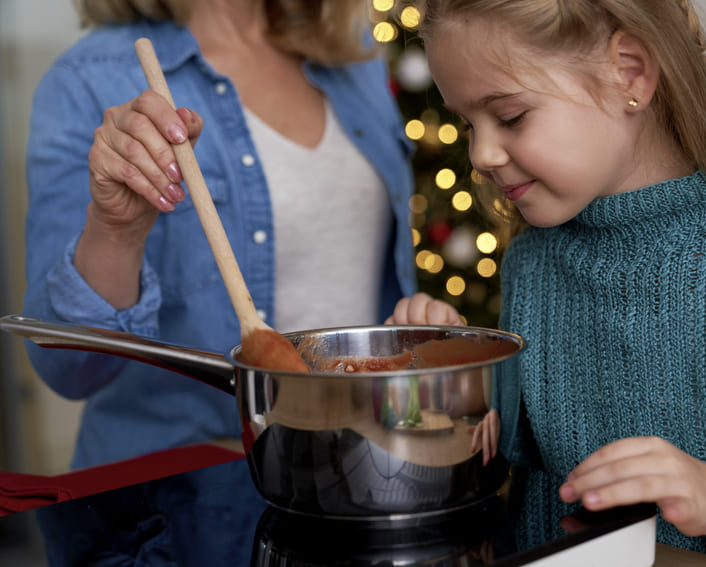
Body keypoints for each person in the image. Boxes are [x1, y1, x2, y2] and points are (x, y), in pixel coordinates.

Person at [386, 1, 706, 565]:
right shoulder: (533, 260)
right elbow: (515, 459)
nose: (480, 154)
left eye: (510, 116)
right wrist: (448, 380)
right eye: (467, 124)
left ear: (629, 74)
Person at [23, 0, 416, 563]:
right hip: (168, 525)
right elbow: (66, 366)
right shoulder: (87, 79)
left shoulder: (352, 54)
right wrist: (117, 228)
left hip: (349, 488)